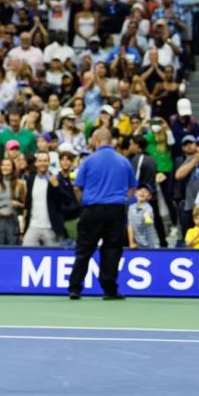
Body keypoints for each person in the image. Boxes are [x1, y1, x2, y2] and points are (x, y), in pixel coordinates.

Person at [69, 128, 137, 300]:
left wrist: (83, 203)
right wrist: (124, 202)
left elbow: (77, 186)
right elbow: (132, 187)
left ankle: (75, 288)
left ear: (97, 140)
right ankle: (110, 290)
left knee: (84, 249)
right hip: (115, 210)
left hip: (92, 209)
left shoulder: (89, 161)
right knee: (112, 250)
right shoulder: (123, 161)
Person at [127, 183, 161, 248]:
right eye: (140, 190)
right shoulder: (131, 208)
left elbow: (148, 217)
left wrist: (147, 217)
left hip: (152, 246)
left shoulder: (148, 208)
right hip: (139, 245)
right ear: (135, 193)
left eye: (145, 191)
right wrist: (131, 243)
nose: (142, 192)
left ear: (149, 196)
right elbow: (130, 226)